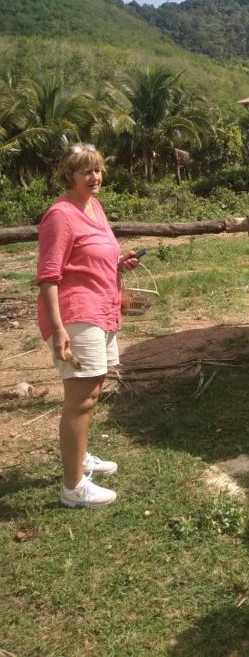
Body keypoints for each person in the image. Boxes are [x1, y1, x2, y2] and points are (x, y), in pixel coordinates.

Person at [35, 144, 138, 508]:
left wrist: (118, 264)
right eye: (86, 172)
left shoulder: (93, 207)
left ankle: (79, 460)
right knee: (80, 400)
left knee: (91, 392)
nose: (95, 177)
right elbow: (48, 277)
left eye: (97, 170)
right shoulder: (60, 216)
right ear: (69, 177)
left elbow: (93, 255)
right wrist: (59, 329)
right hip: (76, 315)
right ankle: (73, 487)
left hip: (101, 309)